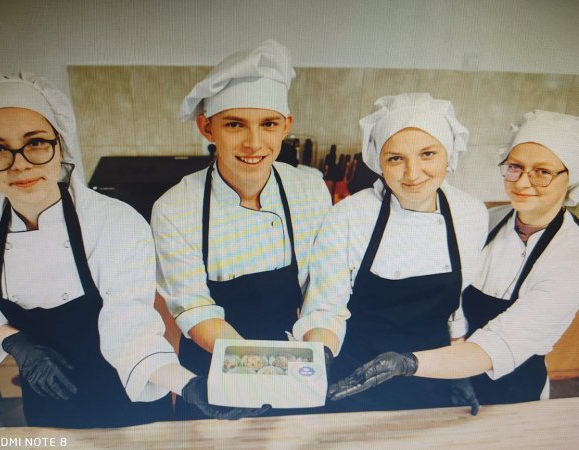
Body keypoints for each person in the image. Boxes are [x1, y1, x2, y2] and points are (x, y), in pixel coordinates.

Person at [0, 73, 266, 428]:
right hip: (46, 395)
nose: (19, 163)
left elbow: (130, 331)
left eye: (35, 142)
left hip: (128, 392)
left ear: (59, 144)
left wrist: (189, 386)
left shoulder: (114, 223)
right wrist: (15, 342)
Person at [328, 110, 579, 409]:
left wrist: (408, 363)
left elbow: (502, 343)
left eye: (542, 172)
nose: (523, 182)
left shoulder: (571, 256)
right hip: (445, 374)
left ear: (572, 177)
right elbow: (452, 303)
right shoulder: (483, 219)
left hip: (511, 385)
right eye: (515, 167)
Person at [151, 40, 332, 418]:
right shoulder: (175, 208)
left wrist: (320, 351)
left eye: (268, 124)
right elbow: (194, 308)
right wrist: (260, 373)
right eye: (235, 125)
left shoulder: (311, 191)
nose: (254, 143)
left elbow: (323, 288)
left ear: (286, 126)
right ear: (207, 128)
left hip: (295, 364)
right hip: (213, 368)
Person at [295, 93, 489, 412]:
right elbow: (325, 307)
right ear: (379, 162)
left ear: (448, 154)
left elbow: (456, 306)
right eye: (396, 158)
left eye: (428, 154)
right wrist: (321, 357)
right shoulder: (349, 216)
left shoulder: (470, 213)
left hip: (430, 375)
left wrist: (459, 369)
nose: (412, 173)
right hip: (353, 380)